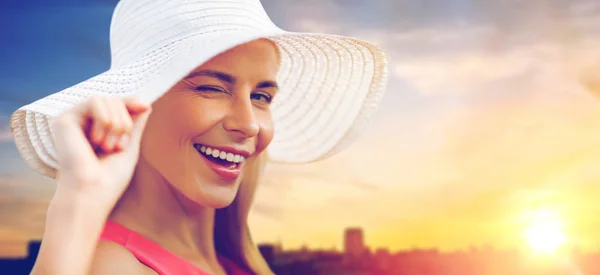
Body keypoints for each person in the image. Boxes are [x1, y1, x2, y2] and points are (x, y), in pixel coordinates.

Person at [9, 0, 389, 274]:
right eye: (211, 88)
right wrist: (79, 199)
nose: (250, 124)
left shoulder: (230, 261)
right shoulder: (112, 265)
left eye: (261, 96)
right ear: (136, 104)